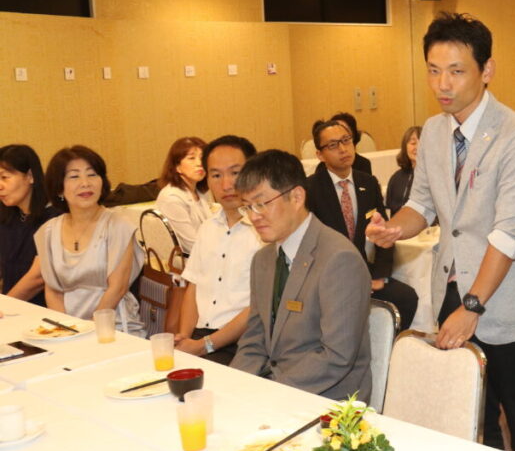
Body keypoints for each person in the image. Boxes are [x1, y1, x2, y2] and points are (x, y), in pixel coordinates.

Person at [366, 12, 515, 451]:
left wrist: (473, 306)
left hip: (501, 303)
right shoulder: (434, 131)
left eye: (456, 71)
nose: (442, 84)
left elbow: (510, 234)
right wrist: (395, 228)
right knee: (470, 423)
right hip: (451, 291)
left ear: (486, 70)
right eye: (433, 71)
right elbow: (422, 204)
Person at [230, 149, 372, 400]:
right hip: (275, 387)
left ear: (296, 197)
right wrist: (235, 386)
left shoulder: (339, 259)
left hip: (327, 399)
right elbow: (254, 337)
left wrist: (271, 393)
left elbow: (336, 356)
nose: (253, 217)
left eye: (261, 204)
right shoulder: (263, 260)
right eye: (247, 207)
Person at [305, 119, 419, 332]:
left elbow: (384, 230)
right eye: (333, 145)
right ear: (320, 154)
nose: (343, 149)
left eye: (346, 140)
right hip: (328, 276)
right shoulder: (309, 189)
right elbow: (308, 246)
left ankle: (385, 346)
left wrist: (380, 274)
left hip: (364, 272)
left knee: (406, 297)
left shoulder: (368, 182)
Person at [34, 145, 144, 335]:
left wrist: (88, 331)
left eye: (92, 174)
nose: (85, 183)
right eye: (74, 176)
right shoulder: (48, 231)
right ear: (59, 187)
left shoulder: (118, 225)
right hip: (68, 329)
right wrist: (65, 329)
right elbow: (53, 291)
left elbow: (117, 288)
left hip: (114, 328)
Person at [174, 136, 262, 365]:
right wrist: (185, 338)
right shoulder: (208, 228)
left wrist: (203, 346)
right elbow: (194, 287)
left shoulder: (265, 230)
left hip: (243, 342)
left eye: (235, 173)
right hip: (200, 338)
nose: (226, 185)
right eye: (216, 175)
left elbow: (260, 305)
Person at [0, 144, 58, 306]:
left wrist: (6, 305)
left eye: (5, 177)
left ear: (30, 176)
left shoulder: (54, 217)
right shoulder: (8, 216)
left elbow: (38, 277)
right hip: (11, 307)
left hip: (43, 310)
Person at [155, 136, 212, 254]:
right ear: (177, 167)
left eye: (202, 158)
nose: (199, 163)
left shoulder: (200, 192)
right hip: (190, 259)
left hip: (208, 252)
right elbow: (191, 245)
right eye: (191, 158)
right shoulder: (171, 198)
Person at [385, 125, 421, 216]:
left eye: (422, 143)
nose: (417, 147)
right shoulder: (396, 178)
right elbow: (390, 210)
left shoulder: (435, 177)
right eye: (413, 143)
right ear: (405, 147)